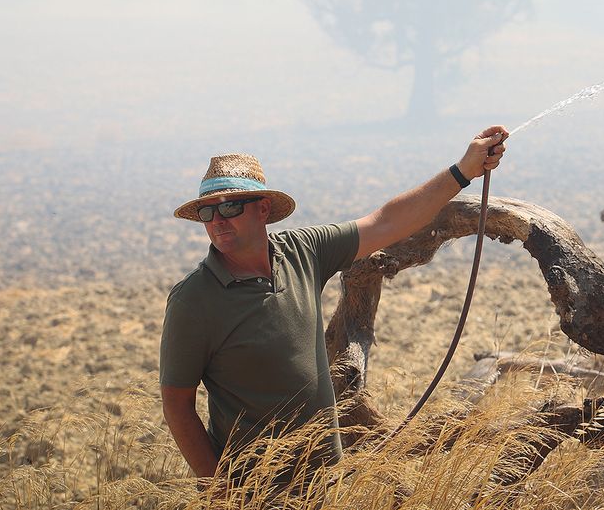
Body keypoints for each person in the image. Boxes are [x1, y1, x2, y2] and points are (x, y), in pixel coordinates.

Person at [159, 125, 509, 485]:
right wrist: (218, 490)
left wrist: (463, 171)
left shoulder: (302, 252)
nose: (217, 221)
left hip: (325, 481)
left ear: (262, 209)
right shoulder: (193, 299)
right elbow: (177, 406)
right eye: (207, 212)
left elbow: (386, 222)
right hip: (255, 490)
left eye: (229, 206)